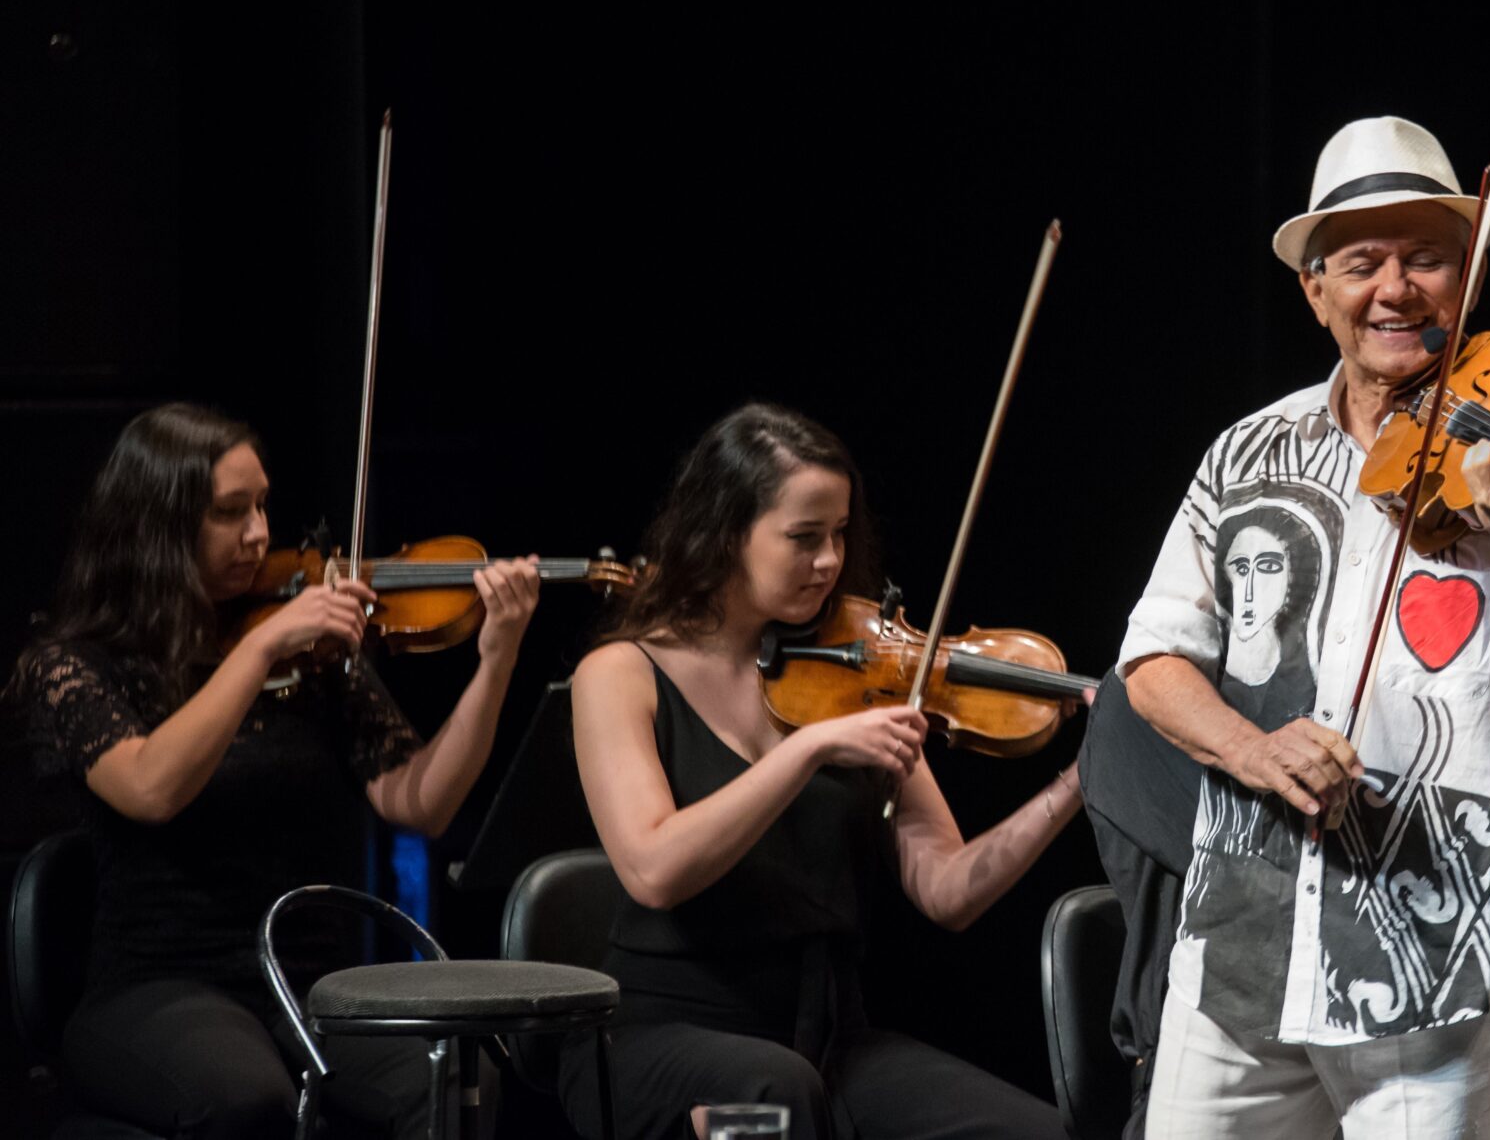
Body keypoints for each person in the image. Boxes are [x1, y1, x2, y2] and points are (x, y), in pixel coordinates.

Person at [1117, 115, 1490, 1140]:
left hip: (1435, 960)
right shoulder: (1244, 452)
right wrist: (1256, 747)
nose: (1395, 289)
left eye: (1427, 259)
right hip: (1239, 953)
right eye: (1360, 262)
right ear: (1316, 290)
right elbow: (1152, 659)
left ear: (1471, 279)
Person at [12, 402, 543, 1140]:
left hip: (307, 981)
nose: (260, 533)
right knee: (247, 1098)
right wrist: (256, 652)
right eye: (231, 512)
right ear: (158, 526)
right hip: (158, 985)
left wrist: (498, 658)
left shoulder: (312, 659)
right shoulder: (74, 666)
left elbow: (422, 800)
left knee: (454, 1081)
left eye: (262, 504)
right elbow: (150, 786)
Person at [564, 402, 1074, 1140]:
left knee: (1037, 1133)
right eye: (804, 538)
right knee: (775, 1093)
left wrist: (1076, 783)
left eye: (839, 533)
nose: (831, 560)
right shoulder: (620, 672)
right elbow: (653, 867)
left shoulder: (854, 674)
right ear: (723, 534)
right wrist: (806, 750)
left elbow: (948, 889)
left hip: (829, 1039)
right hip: (659, 1036)